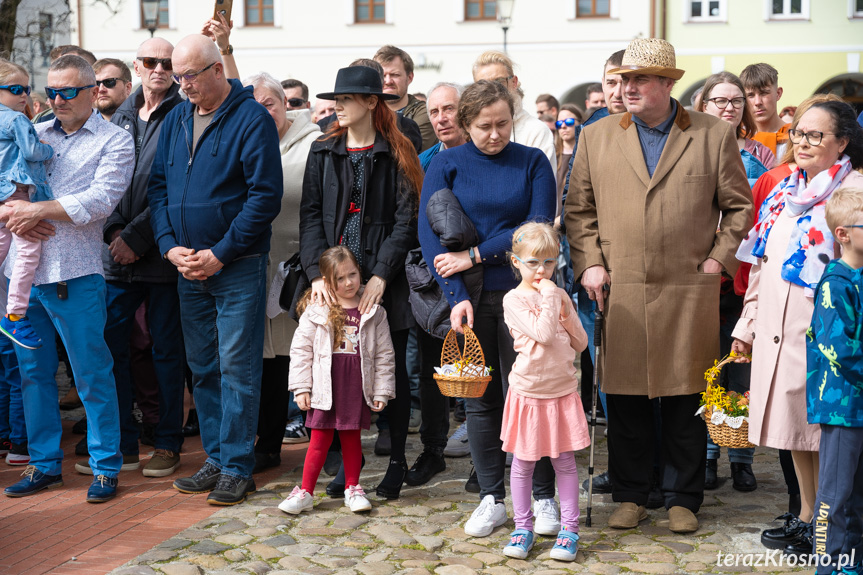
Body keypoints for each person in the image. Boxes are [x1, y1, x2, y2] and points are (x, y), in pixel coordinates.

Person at [565, 38, 753, 534]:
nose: (625, 88)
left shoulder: (712, 134)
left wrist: (718, 260)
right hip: (620, 288)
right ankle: (630, 495)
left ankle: (682, 497)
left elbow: (739, 207)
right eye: (622, 79)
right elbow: (578, 211)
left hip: (687, 286)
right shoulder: (596, 136)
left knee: (684, 395)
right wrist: (589, 263)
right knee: (624, 397)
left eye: (637, 80)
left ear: (667, 85)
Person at [148, 34, 283, 506]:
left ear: (215, 70)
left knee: (237, 368)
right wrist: (169, 248)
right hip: (187, 266)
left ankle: (238, 468)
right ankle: (217, 456)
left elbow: (264, 197)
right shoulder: (177, 118)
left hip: (237, 266)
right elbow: (159, 190)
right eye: (177, 75)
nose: (182, 85)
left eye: (189, 76)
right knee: (203, 367)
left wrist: (220, 253)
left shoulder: (251, 118)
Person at [419, 80, 556, 537]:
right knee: (480, 401)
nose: (495, 135)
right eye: (483, 127)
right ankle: (492, 497)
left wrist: (476, 255)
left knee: (532, 396)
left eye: (502, 124)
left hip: (525, 296)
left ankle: (542, 496)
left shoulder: (533, 161)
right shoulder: (448, 163)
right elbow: (429, 235)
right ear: (465, 124)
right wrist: (455, 296)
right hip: (472, 300)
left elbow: (533, 228)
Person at [732, 100, 863, 556]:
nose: (802, 143)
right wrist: (746, 326)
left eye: (815, 135)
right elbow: (764, 262)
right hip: (775, 324)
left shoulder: (854, 190)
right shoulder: (786, 188)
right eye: (798, 134)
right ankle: (808, 515)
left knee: (822, 431)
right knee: (794, 429)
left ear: (841, 142)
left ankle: (830, 525)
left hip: (825, 331)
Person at [1, 54, 134, 503]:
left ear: (93, 91)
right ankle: (43, 465)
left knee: (92, 375)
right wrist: (14, 213)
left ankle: (105, 467)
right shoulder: (32, 132)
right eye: (51, 91)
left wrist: (37, 211)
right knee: (31, 375)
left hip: (76, 275)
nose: (55, 100)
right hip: (23, 276)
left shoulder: (115, 141)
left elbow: (101, 200)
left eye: (66, 92)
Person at [300, 65, 422, 500]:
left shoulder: (399, 148)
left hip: (385, 276)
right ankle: (345, 466)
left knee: (390, 370)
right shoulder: (323, 149)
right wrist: (317, 275)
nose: (338, 106)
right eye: (336, 98)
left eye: (347, 99)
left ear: (371, 102)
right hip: (335, 276)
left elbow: (407, 220)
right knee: (336, 368)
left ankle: (396, 461)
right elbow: (311, 215)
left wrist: (382, 276)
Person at [98, 37, 186, 479]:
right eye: (151, 61)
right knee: (111, 351)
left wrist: (136, 236)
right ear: (137, 65)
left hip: (161, 254)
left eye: (167, 63)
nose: (159, 69)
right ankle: (123, 445)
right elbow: (105, 179)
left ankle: (167, 442)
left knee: (167, 353)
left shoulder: (183, 112)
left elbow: (175, 186)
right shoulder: (120, 114)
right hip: (116, 257)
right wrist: (114, 231)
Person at [697, 70, 775, 493]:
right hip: (703, 274)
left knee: (742, 366)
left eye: (736, 101)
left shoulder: (760, 155)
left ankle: (742, 457)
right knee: (710, 368)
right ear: (703, 104)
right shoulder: (692, 146)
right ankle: (708, 455)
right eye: (720, 100)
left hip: (744, 276)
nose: (729, 107)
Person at [242, 71, 322, 466]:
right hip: (259, 265)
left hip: (303, 268)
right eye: (254, 107)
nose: (262, 113)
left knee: (312, 356)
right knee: (270, 361)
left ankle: (329, 446)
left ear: (285, 104)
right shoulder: (245, 142)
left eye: (269, 104)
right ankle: (269, 444)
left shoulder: (314, 144)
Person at [278, 246, 395, 515]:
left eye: (352, 275)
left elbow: (385, 354)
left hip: (355, 386)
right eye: (340, 279)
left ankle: (352, 488)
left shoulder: (373, 311)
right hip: (324, 387)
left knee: (352, 439)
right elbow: (301, 351)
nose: (349, 283)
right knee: (319, 439)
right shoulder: (316, 309)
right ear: (326, 281)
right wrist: (301, 387)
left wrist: (382, 390)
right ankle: (305, 491)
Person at [499, 222, 589, 562]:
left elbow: (579, 343)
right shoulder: (514, 299)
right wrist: (552, 298)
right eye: (533, 262)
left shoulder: (558, 296)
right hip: (529, 393)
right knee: (522, 462)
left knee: (565, 461)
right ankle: (523, 527)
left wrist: (566, 311)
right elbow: (543, 333)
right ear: (516, 261)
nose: (542, 270)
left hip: (562, 391)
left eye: (549, 262)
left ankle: (569, 530)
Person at [406, 81, 468, 487]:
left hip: (478, 274)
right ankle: (433, 451)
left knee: (481, 368)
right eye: (434, 112)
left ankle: (487, 459)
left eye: (449, 109)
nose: (442, 118)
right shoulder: (424, 160)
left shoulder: (482, 154)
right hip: (433, 279)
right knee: (433, 369)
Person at [808, 187, 863, 575]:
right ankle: (828, 565)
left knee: (858, 494)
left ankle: (853, 562)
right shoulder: (835, 283)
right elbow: (839, 350)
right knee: (835, 493)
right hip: (843, 406)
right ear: (843, 234)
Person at [0, 61, 53, 350]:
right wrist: (49, 148)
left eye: (27, 89)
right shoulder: (16, 119)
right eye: (15, 89)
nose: (23, 96)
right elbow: (33, 151)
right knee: (29, 251)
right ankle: (15, 315)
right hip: (16, 193)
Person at [472, 51, 555, 174]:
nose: (492, 90)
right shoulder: (470, 131)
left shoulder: (536, 131)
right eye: (483, 84)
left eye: (499, 82)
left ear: (514, 82)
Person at [374, 45, 436, 152]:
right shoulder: (368, 110)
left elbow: (409, 154)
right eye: (383, 75)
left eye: (395, 75)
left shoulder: (423, 113)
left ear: (410, 78)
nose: (388, 81)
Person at [741, 63, 789, 160]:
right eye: (750, 95)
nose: (758, 102)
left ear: (778, 93)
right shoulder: (738, 137)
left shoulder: (795, 137)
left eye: (764, 93)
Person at [554, 104, 582, 216]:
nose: (563, 126)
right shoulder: (552, 154)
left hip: (577, 220)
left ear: (580, 122)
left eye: (569, 121)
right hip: (553, 222)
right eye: (559, 123)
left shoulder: (587, 153)